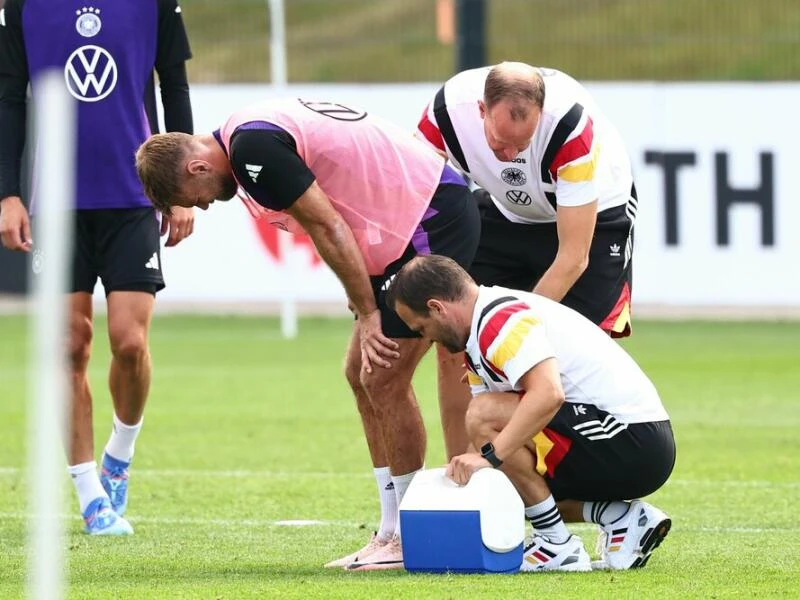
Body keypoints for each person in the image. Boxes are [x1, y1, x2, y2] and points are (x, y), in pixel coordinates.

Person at [134, 97, 481, 570]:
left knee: (382, 377)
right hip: (405, 225)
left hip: (429, 216)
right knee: (359, 374)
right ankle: (390, 530)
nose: (206, 205)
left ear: (197, 167)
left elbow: (328, 224)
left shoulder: (252, 148)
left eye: (198, 197)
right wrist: (363, 294)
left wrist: (367, 309)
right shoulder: (244, 137)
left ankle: (411, 533)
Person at [0, 0, 195, 535]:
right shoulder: (21, 7)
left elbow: (174, 86)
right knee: (69, 344)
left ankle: (119, 454)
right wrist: (8, 195)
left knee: (129, 343)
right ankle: (90, 495)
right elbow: (8, 97)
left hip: (134, 198)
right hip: (56, 200)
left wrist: (180, 188)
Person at [386, 255, 675, 572]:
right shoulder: (477, 334)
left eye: (422, 327)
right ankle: (619, 518)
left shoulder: (500, 320)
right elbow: (487, 439)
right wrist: (461, 482)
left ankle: (556, 544)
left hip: (634, 442)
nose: (427, 338)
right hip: (623, 442)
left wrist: (489, 457)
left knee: (485, 422)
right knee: (506, 485)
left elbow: (548, 394)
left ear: (437, 308)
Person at [415, 62, 640, 458]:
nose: (512, 155)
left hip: (594, 216)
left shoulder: (569, 129)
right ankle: (460, 479)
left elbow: (573, 257)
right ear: (481, 110)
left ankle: (582, 496)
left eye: (523, 143)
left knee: (572, 357)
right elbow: (414, 200)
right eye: (500, 142)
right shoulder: (445, 115)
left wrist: (510, 330)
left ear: (541, 113)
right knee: (453, 333)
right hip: (505, 213)